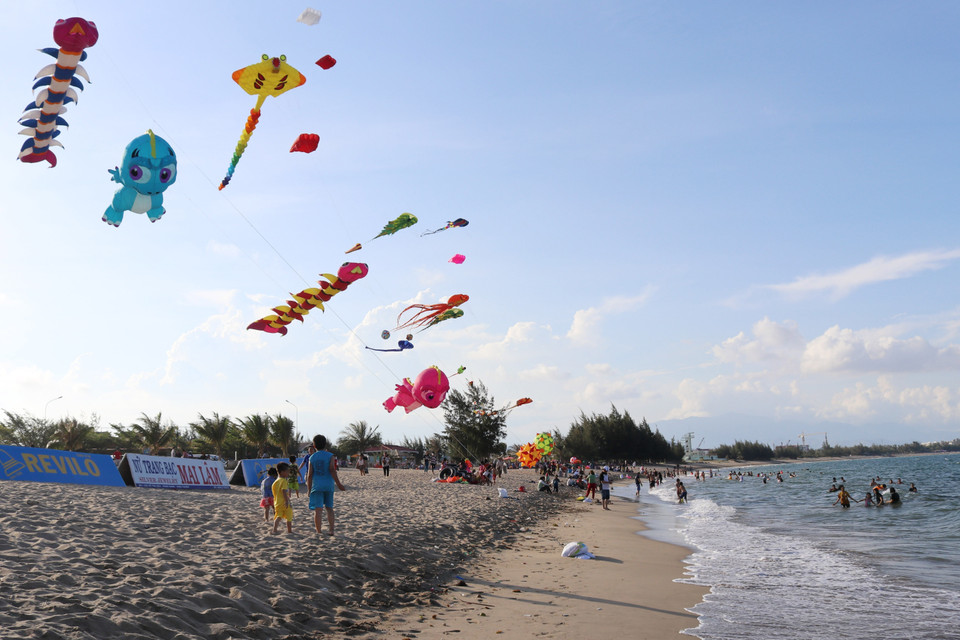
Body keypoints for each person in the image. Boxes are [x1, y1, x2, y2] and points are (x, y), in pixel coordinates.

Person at [306, 434, 346, 537]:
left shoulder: (312, 457)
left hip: (317, 486)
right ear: (325, 444)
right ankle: (331, 530)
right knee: (329, 508)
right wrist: (339, 484)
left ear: (314, 446)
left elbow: (310, 475)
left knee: (318, 510)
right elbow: (332, 470)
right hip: (328, 485)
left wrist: (309, 489)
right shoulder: (330, 456)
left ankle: (319, 531)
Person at [272, 463, 293, 534]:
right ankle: (289, 531)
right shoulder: (283, 481)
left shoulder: (275, 482)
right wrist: (287, 501)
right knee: (289, 516)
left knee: (278, 516)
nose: (288, 473)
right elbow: (284, 491)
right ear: (282, 472)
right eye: (287, 471)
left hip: (277, 503)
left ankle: (274, 530)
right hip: (284, 502)